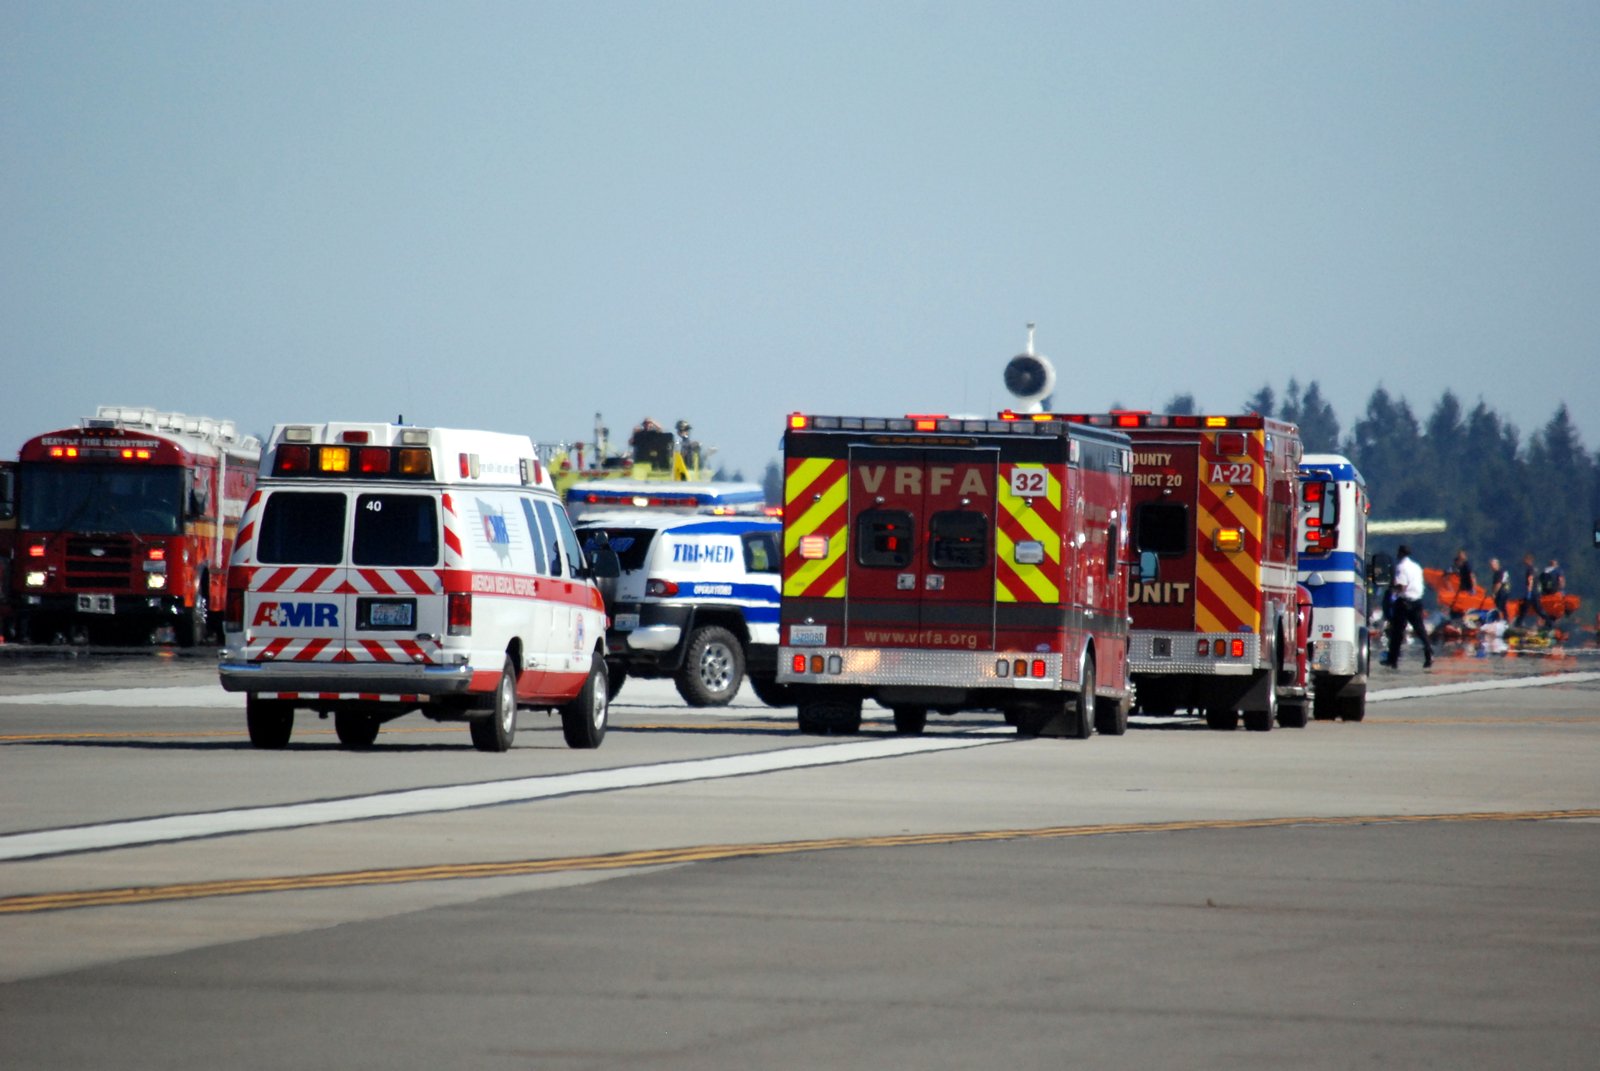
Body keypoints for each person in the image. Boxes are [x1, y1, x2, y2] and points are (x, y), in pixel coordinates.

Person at [1385, 544, 1433, 669]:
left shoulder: (1401, 567)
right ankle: (1429, 652)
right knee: (1420, 629)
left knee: (1397, 631)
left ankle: (1392, 659)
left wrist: (1392, 588)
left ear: (1400, 553)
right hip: (1417, 601)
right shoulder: (1416, 566)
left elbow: (1402, 586)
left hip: (1405, 602)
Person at [1536, 557, 1565, 626]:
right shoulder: (1558, 571)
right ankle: (1554, 625)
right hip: (1554, 593)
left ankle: (1540, 624)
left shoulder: (1544, 572)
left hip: (1545, 593)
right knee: (1559, 609)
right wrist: (1561, 588)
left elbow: (1539, 583)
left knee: (1543, 609)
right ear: (1556, 564)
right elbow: (1561, 580)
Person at [1515, 552, 1538, 627]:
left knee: (1527, 607)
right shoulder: (1533, 568)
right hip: (1533, 591)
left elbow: (1530, 579)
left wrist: (1529, 590)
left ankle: (1519, 623)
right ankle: (1519, 622)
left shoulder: (1530, 569)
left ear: (1528, 560)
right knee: (1527, 607)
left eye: (1525, 559)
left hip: (1531, 591)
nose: (1523, 561)